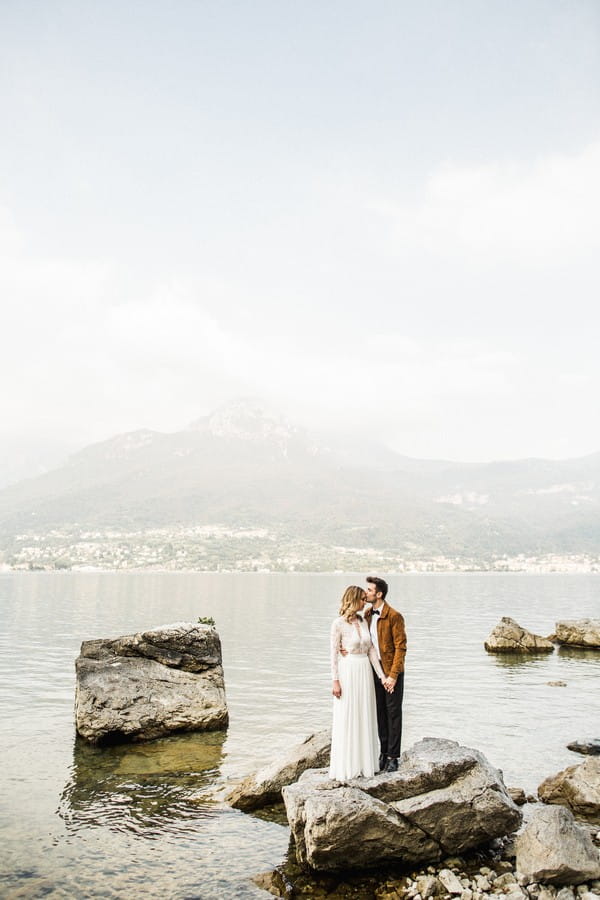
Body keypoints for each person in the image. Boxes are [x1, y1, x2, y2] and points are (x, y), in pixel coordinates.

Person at [329, 585, 387, 780]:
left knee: (364, 714)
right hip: (349, 671)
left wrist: (381, 676)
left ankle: (365, 764)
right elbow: (333, 655)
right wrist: (335, 681)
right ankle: (347, 766)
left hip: (365, 672)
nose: (365, 602)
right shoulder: (338, 624)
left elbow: (371, 650)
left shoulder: (363, 621)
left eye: (366, 598)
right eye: (362, 599)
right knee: (349, 715)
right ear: (353, 600)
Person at [365, 575, 407, 774]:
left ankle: (393, 756)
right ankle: (382, 752)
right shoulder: (366, 614)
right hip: (374, 669)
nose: (366, 593)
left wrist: (393, 676)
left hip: (392, 670)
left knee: (393, 713)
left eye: (369, 590)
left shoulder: (394, 616)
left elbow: (401, 648)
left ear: (379, 594)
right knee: (380, 711)